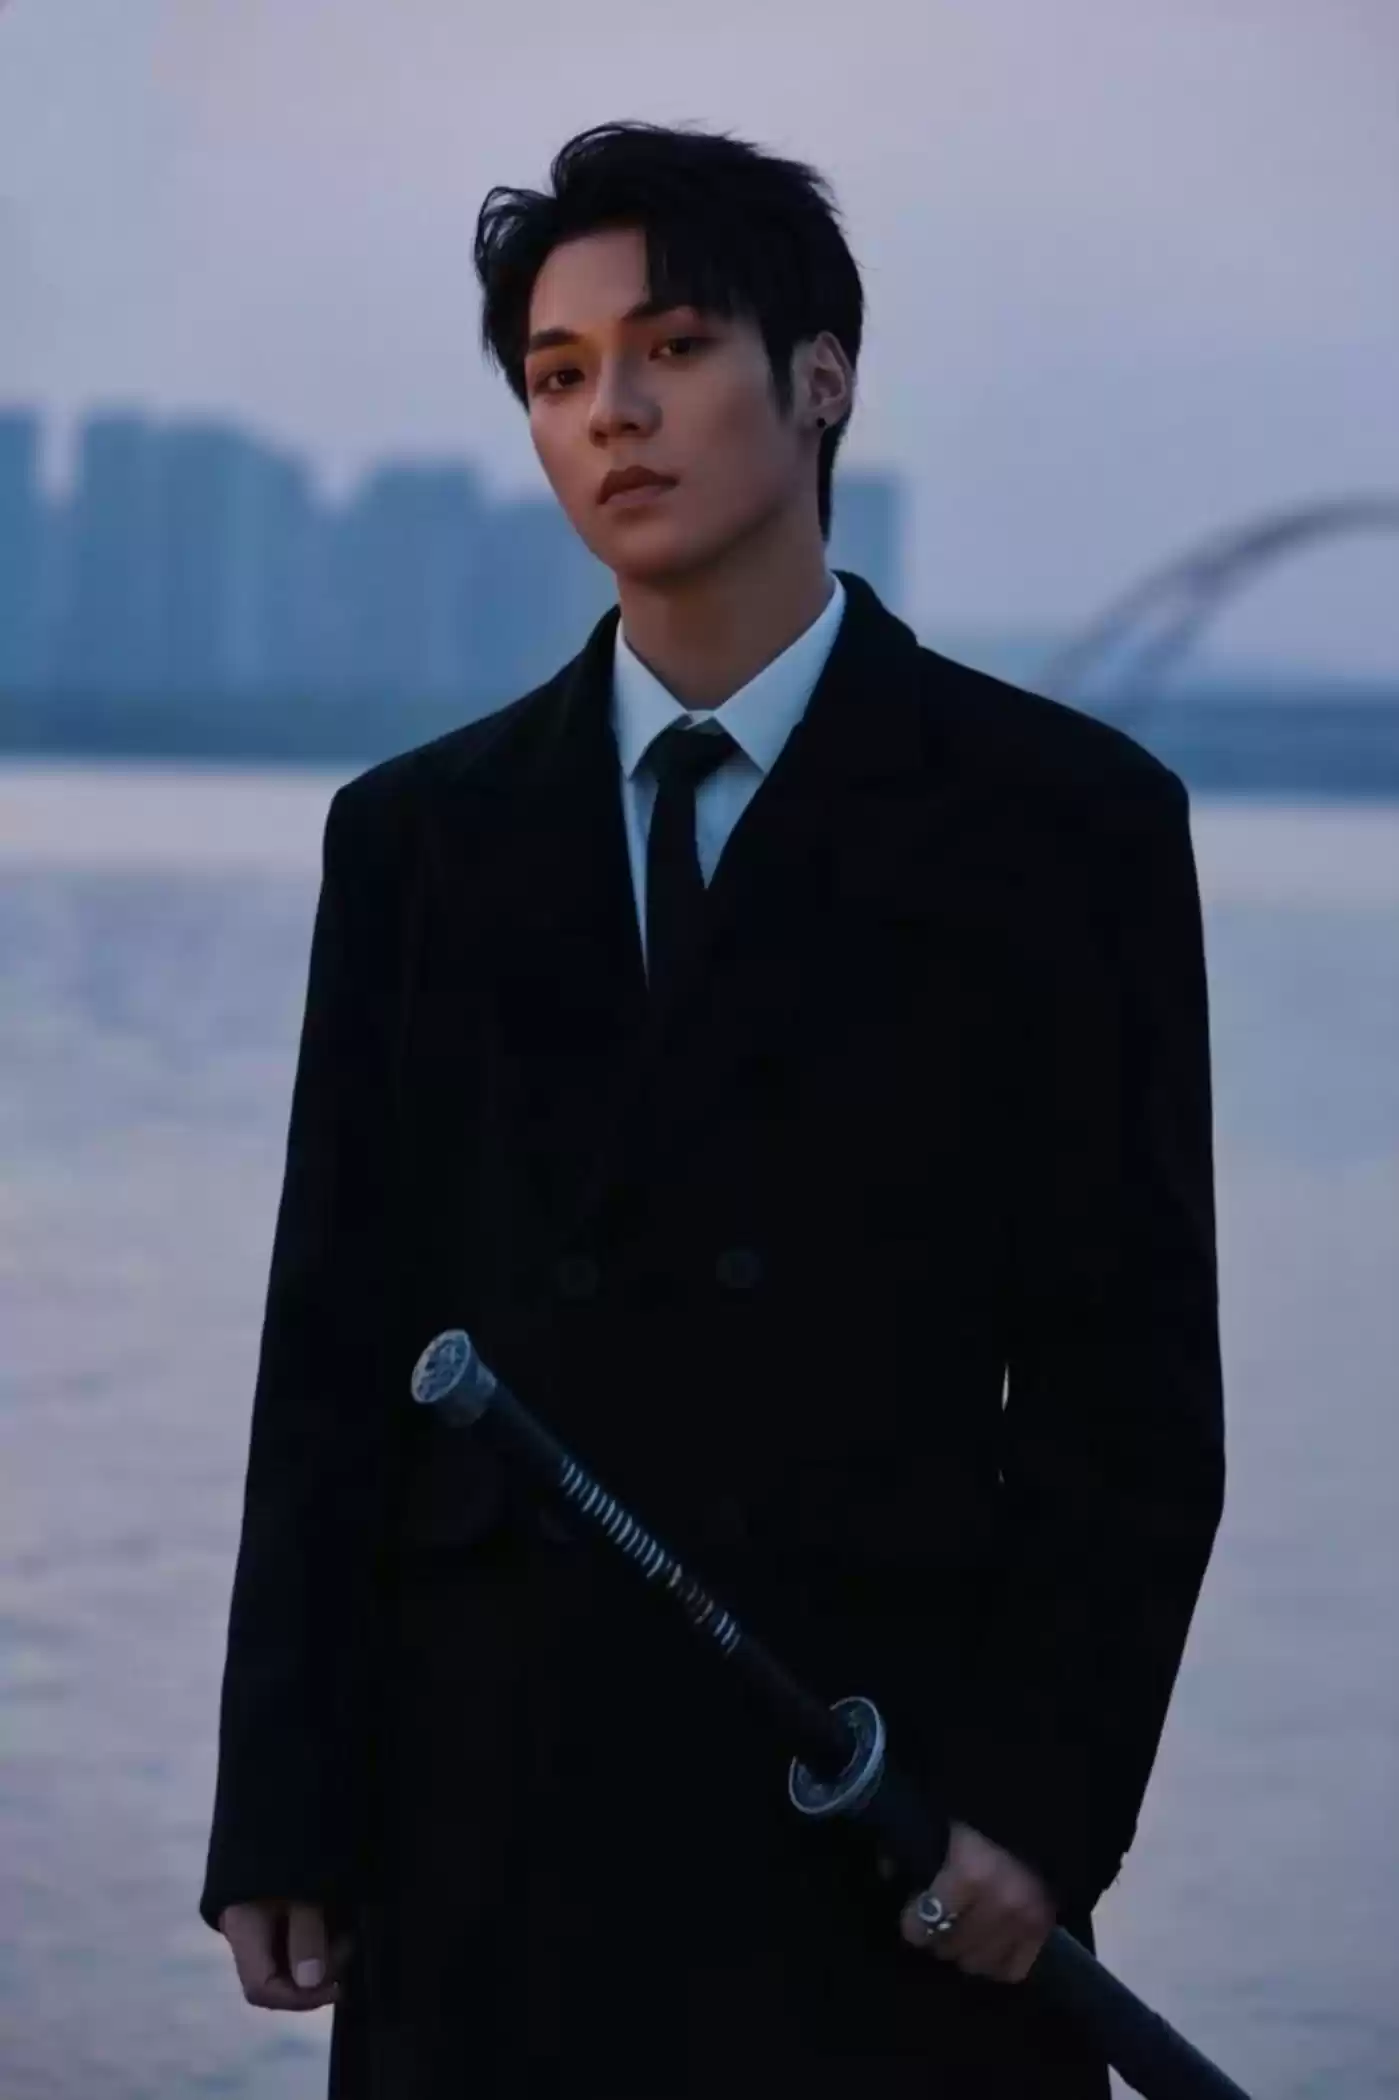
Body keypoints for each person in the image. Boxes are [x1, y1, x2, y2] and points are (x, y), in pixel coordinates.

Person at [199, 120, 1226, 2098]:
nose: (613, 414)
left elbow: (1127, 1397)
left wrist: (1039, 1810)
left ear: (820, 377)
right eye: (558, 373)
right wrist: (285, 1805)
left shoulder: (1064, 828)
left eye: (670, 349)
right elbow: (331, 1354)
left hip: (878, 1817)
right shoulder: (419, 837)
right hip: (489, 1821)